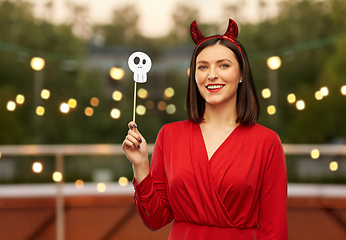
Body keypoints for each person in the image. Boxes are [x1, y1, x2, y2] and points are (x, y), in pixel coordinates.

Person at [122, 19, 288, 240]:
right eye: (203, 67)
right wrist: (141, 165)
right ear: (195, 75)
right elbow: (155, 219)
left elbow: (274, 229)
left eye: (223, 65)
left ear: (241, 75)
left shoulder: (267, 142)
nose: (211, 75)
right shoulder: (170, 135)